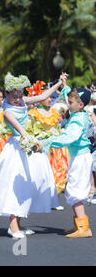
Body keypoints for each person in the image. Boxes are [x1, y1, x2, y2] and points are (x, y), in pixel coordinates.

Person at [0, 72, 67, 239]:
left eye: (20, 94)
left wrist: (59, 83)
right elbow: (20, 130)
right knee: (16, 186)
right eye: (14, 95)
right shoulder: (7, 111)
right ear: (6, 95)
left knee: (29, 184)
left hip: (26, 145)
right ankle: (13, 226)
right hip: (17, 148)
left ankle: (19, 223)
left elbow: (43, 95)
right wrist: (33, 141)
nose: (18, 98)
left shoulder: (23, 101)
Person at [40, 86, 93, 238]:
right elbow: (67, 95)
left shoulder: (77, 120)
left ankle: (83, 228)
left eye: (70, 102)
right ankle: (78, 225)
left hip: (80, 158)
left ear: (80, 105)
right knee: (73, 189)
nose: (67, 105)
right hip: (80, 157)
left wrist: (48, 142)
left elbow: (69, 138)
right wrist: (64, 86)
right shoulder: (80, 114)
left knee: (76, 191)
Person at [25, 81, 69, 205]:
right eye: (47, 96)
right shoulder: (33, 113)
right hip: (39, 148)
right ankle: (38, 199)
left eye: (50, 97)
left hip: (54, 148)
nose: (49, 99)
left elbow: (56, 128)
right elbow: (28, 131)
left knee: (57, 171)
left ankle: (51, 198)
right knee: (39, 174)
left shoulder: (54, 112)